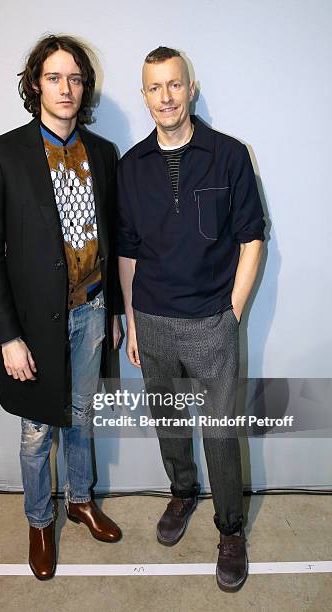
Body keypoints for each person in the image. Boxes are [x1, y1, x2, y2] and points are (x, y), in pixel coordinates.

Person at [0, 34, 123, 581]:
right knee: (37, 430)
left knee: (81, 415)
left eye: (75, 78)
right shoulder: (2, 154)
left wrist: (114, 312)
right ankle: (40, 521)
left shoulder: (103, 155)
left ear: (85, 88)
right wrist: (7, 336)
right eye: (54, 77)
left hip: (91, 311)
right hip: (32, 325)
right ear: (36, 83)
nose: (66, 88)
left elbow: (113, 237)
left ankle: (80, 500)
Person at [117, 46, 266, 592]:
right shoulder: (131, 167)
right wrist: (133, 322)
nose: (166, 97)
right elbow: (127, 252)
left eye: (174, 85)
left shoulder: (228, 156)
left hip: (210, 322)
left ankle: (230, 530)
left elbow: (252, 237)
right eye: (154, 88)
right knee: (170, 424)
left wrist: (233, 311)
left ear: (191, 88)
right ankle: (182, 494)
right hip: (153, 320)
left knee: (222, 434)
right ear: (144, 96)